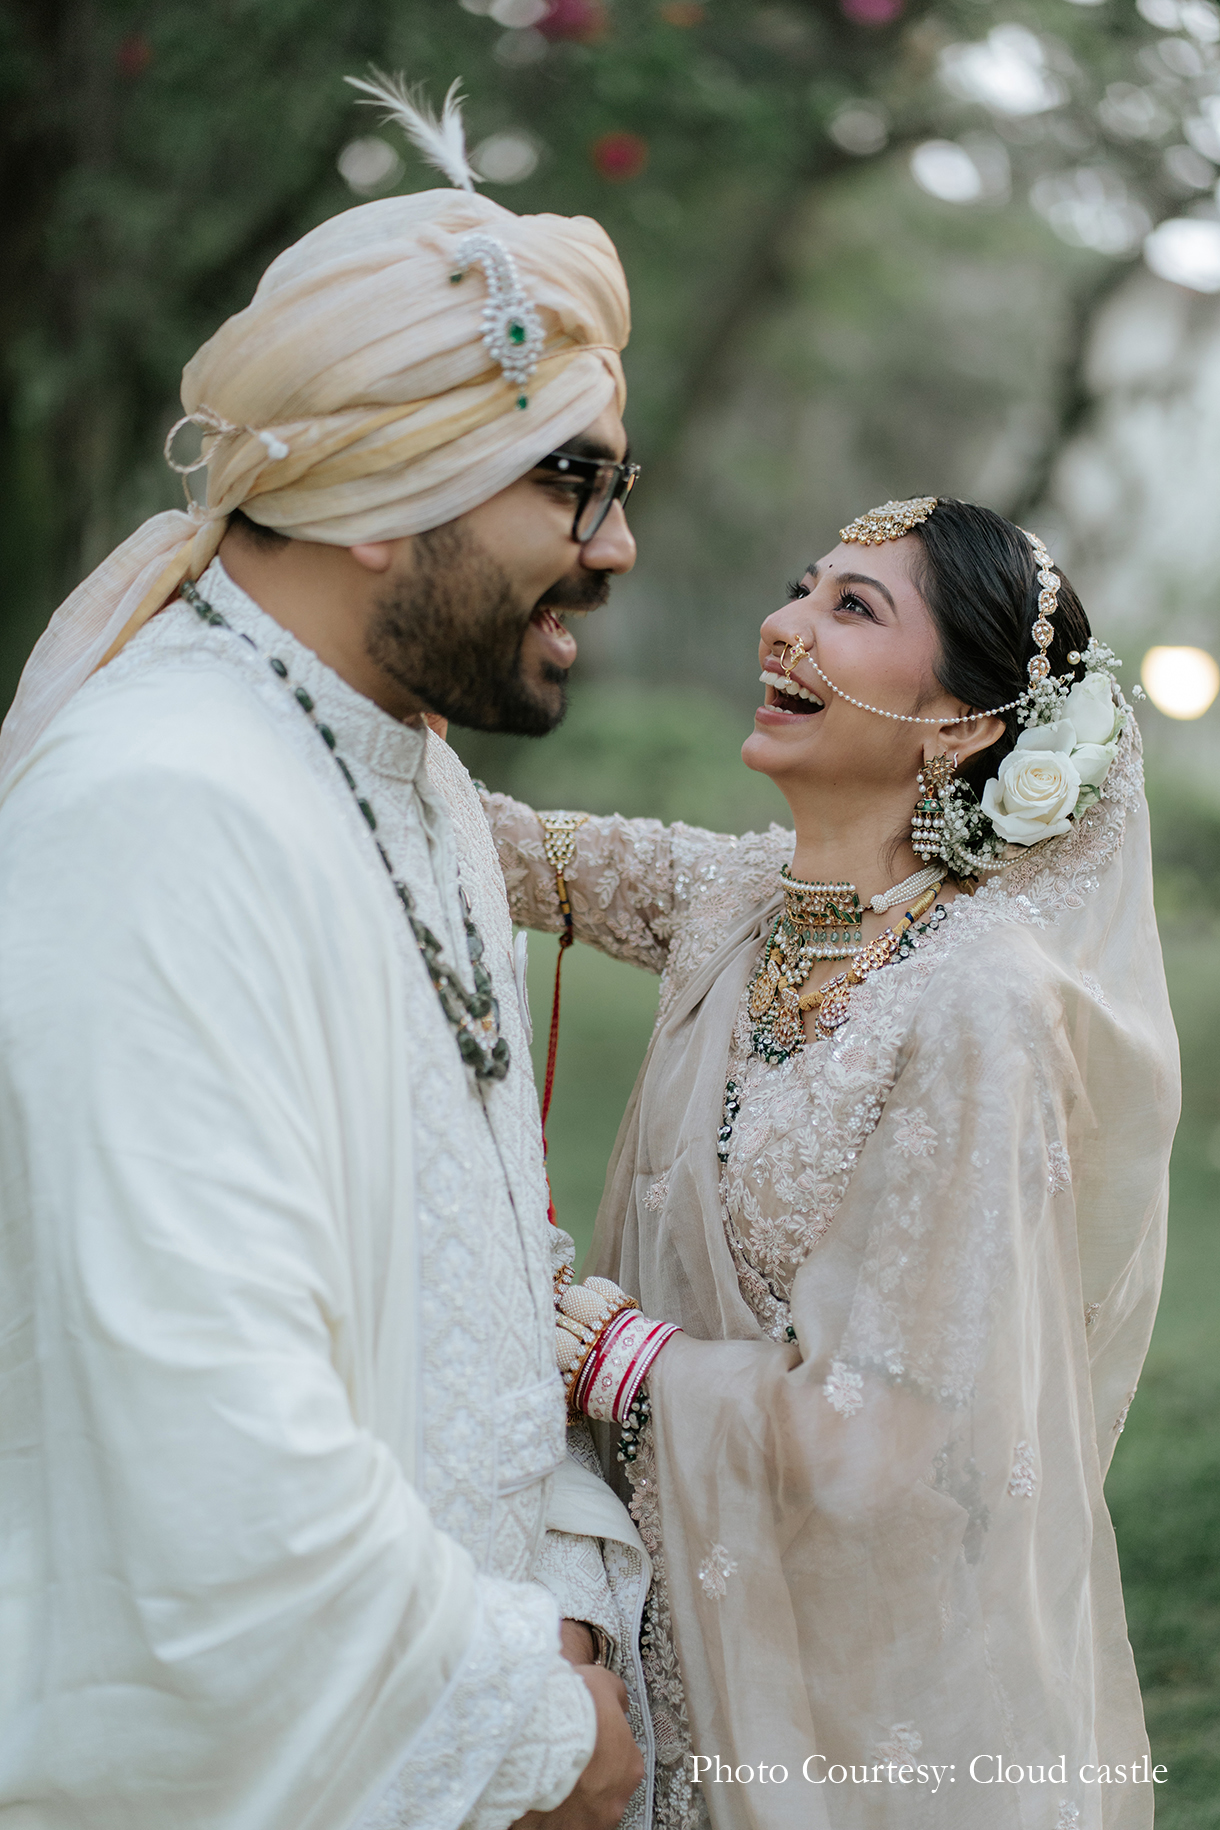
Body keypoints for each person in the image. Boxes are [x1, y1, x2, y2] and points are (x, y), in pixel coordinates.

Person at [0, 83, 653, 1830]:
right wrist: (530, 1723)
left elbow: (455, 1279)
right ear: (384, 499)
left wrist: (562, 1602)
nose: (615, 546)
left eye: (618, 478)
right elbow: (200, 1433)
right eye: (570, 481)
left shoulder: (402, 762)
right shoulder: (156, 810)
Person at [485, 496, 1177, 1830]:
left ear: (968, 726)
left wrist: (621, 1357)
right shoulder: (736, 899)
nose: (785, 627)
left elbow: (896, 1435)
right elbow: (510, 851)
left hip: (865, 1691)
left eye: (853, 610)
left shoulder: (985, 1002)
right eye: (805, 589)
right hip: (668, 1610)